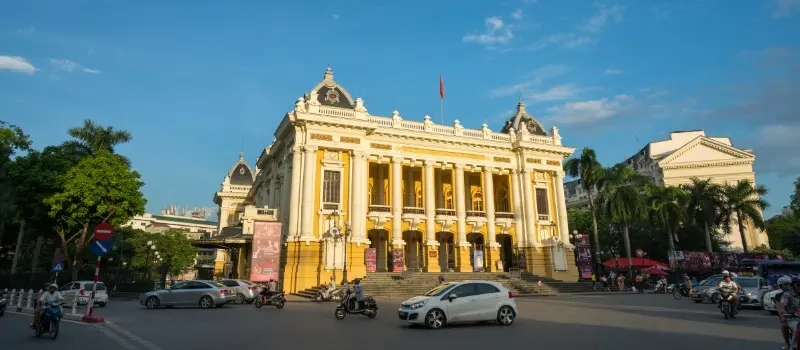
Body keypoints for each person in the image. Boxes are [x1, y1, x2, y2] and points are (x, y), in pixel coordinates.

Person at [780, 276, 800, 350]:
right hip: (793, 318)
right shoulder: (787, 294)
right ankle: (791, 346)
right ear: (794, 285)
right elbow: (782, 307)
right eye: (798, 285)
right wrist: (784, 313)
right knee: (796, 328)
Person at [775, 275, 793, 350]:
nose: (787, 286)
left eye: (789, 284)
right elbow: (780, 308)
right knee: (784, 325)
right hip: (788, 316)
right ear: (780, 285)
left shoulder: (794, 293)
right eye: (785, 284)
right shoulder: (779, 296)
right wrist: (783, 316)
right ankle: (787, 342)